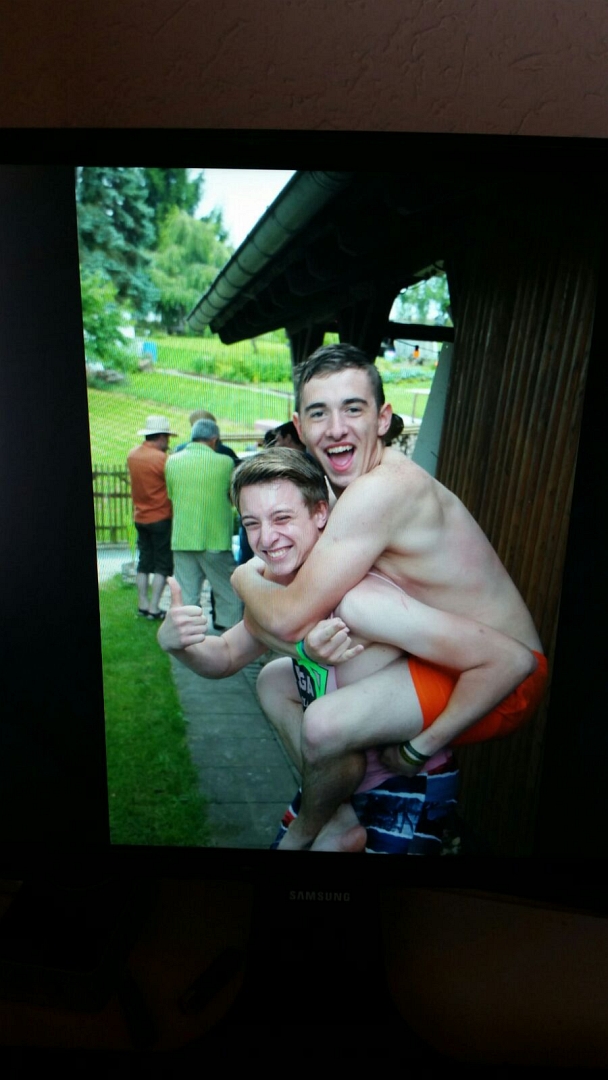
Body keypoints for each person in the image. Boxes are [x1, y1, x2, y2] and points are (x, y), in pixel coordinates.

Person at [230, 344, 547, 850]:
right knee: (275, 682)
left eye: (353, 408)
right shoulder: (349, 487)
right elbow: (264, 632)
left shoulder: (382, 491)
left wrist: (242, 577)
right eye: (319, 413)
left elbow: (287, 619)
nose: (336, 428)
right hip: (446, 654)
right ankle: (337, 813)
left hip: (502, 677)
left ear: (383, 419)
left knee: (324, 721)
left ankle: (314, 829)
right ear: (300, 426)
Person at [159, 448, 543, 853]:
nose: (266, 538)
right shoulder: (279, 593)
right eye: (252, 523)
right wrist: (179, 645)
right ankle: (335, 818)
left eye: (282, 518)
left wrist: (416, 751)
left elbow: (509, 660)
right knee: (273, 680)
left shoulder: (364, 597)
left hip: (404, 785)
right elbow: (224, 655)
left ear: (320, 514)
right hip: (333, 788)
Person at [165, 418, 242, 630]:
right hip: (215, 538)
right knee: (228, 592)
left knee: (186, 594)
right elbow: (232, 497)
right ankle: (230, 634)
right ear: (214, 439)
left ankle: (187, 636)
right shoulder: (225, 462)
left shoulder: (172, 462)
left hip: (182, 538)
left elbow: (171, 495)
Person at [126, 414, 176, 621]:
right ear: (161, 437)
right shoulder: (163, 460)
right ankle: (154, 607)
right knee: (163, 564)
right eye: (168, 437)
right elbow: (172, 487)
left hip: (140, 516)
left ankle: (142, 604)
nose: (169, 442)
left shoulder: (132, 455)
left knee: (144, 562)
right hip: (161, 516)